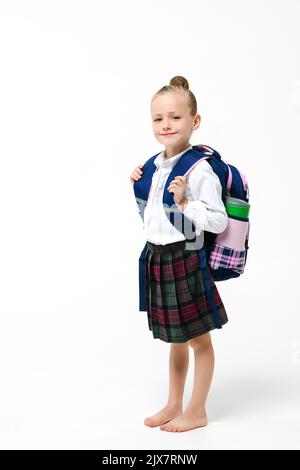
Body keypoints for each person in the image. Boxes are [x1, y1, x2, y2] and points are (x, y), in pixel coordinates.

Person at [130, 76, 229, 433]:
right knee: (175, 339)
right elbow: (154, 218)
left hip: (185, 257)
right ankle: (174, 403)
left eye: (175, 117)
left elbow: (216, 221)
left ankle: (197, 410)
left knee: (199, 339)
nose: (166, 125)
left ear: (195, 121)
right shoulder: (154, 166)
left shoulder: (198, 169)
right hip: (159, 256)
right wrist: (139, 188)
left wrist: (186, 201)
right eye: (158, 119)